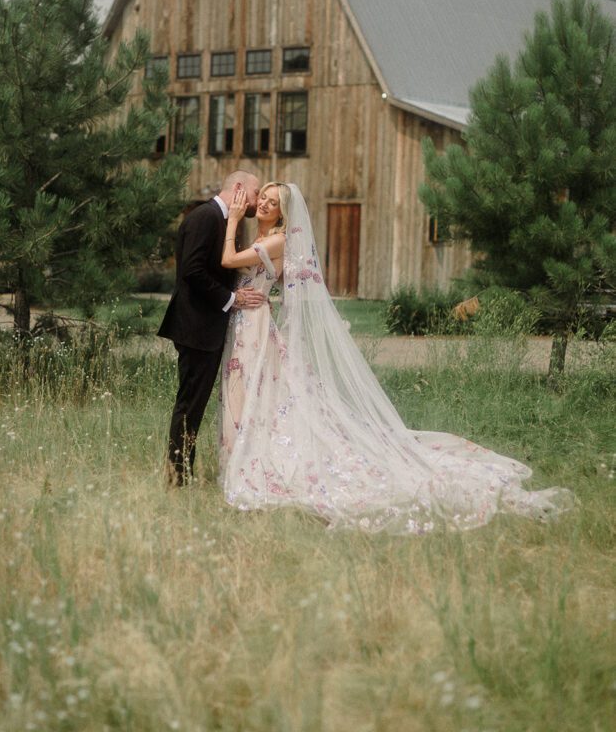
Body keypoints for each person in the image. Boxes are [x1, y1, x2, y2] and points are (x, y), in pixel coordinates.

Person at [217, 182, 574, 534]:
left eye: (273, 201)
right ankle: (241, 453)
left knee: (253, 389)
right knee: (251, 392)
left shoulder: (277, 241)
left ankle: (255, 459)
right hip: (247, 321)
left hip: (255, 323)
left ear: (283, 213)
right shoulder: (262, 239)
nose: (264, 203)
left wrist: (232, 219)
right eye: (263, 198)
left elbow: (228, 260)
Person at [159, 170, 264, 485]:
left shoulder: (224, 220)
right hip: (196, 326)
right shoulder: (206, 217)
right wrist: (231, 298)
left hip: (206, 326)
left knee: (195, 403)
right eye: (256, 193)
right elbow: (192, 270)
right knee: (190, 402)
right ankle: (178, 475)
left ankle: (182, 471)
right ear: (239, 189)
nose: (256, 201)